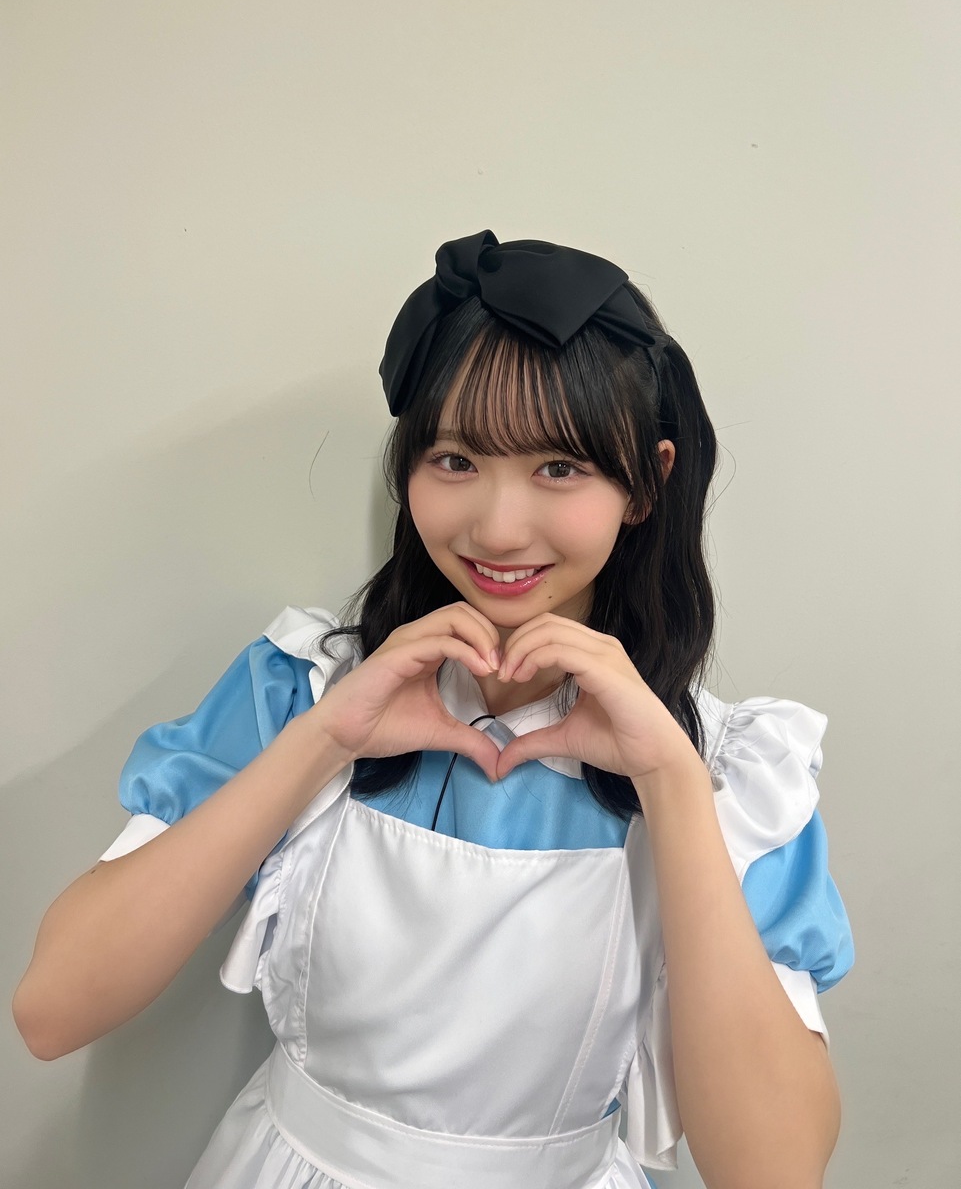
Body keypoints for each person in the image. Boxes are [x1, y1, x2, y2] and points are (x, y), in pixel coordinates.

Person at [13, 231, 854, 1189]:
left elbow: (773, 1172)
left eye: (559, 468)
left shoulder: (731, 769)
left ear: (646, 484)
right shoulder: (301, 688)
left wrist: (670, 782)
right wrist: (325, 740)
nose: (496, 527)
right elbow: (53, 1010)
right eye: (455, 459)